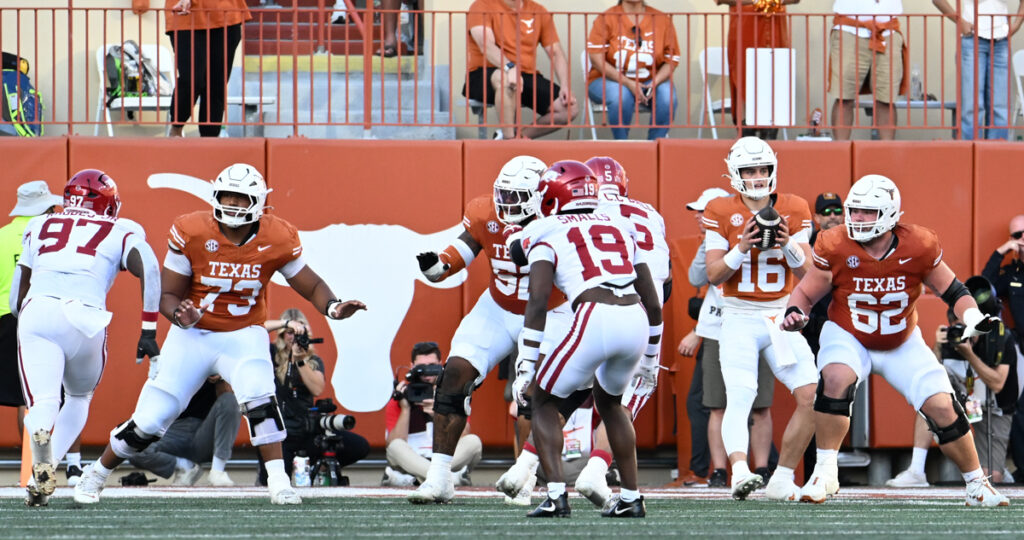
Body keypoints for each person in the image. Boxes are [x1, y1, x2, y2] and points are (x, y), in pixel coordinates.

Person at [73, 163, 366, 506]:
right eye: (227, 196)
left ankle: (279, 481)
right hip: (193, 335)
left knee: (260, 397)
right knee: (150, 420)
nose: (232, 204)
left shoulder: (277, 236)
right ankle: (97, 473)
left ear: (257, 203)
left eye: (241, 199)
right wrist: (182, 316)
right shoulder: (192, 230)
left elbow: (310, 282)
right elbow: (167, 295)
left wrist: (332, 307)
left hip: (244, 333)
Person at [782, 174, 1010, 507]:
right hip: (848, 332)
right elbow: (806, 291)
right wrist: (794, 312)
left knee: (942, 405)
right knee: (835, 378)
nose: (856, 218)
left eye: (867, 212)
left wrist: (973, 318)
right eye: (854, 210)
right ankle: (825, 471)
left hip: (900, 339)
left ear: (889, 214)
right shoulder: (834, 243)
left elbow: (954, 290)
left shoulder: (919, 244)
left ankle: (977, 484)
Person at [408, 155, 572, 505]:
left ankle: (525, 479)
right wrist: (438, 266)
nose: (506, 203)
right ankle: (439, 478)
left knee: (532, 396)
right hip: (497, 308)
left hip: (551, 312)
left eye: (516, 196)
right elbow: (461, 252)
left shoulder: (559, 219)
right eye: (503, 194)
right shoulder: (486, 213)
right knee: (452, 377)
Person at [512, 160, 663, 518]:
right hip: (636, 318)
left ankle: (554, 496)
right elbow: (653, 298)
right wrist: (651, 359)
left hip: (595, 314)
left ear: (553, 194)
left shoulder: (545, 228)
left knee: (543, 403)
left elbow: (537, 301)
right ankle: (630, 497)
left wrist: (525, 363)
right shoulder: (620, 223)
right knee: (611, 404)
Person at [14, 170, 162, 507]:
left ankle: (40, 456)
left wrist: (25, 322)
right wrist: (149, 329)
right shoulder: (122, 229)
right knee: (79, 397)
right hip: (87, 317)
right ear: (108, 203)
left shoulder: (39, 225)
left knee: (44, 402)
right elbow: (150, 267)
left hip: (40, 308)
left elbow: (15, 295)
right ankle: (48, 465)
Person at [703, 136, 818, 502]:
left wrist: (786, 243)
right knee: (741, 396)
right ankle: (739, 471)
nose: (756, 176)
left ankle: (782, 475)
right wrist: (741, 246)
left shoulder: (795, 207)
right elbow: (714, 274)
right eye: (749, 170)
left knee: (811, 393)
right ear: (735, 174)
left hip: (777, 315)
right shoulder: (720, 210)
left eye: (762, 169)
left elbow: (811, 274)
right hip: (737, 316)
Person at [685, 187, 777, 489]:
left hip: (754, 318)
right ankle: (721, 470)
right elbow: (698, 278)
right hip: (719, 326)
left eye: (705, 211)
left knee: (761, 403)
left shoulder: (756, 228)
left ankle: (761, 468)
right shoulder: (711, 239)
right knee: (717, 404)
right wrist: (713, 240)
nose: (700, 217)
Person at [258, 308, 369, 486]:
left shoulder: (312, 360)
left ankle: (321, 467)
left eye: (299, 333)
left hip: (306, 429)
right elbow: (258, 329)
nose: (293, 337)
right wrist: (286, 323)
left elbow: (317, 389)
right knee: (272, 481)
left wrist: (300, 360)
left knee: (359, 445)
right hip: (280, 432)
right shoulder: (270, 354)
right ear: (281, 334)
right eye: (289, 333)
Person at [462, 0, 579, 140]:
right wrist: (509, 67)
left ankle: (517, 138)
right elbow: (486, 45)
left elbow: (556, 53)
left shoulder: (538, 10)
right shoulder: (482, 5)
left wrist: (565, 86)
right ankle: (510, 140)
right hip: (485, 72)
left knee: (569, 109)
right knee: (506, 80)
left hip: (525, 75)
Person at [0, 181, 62, 438]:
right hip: (43, 314)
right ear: (47, 207)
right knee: (51, 395)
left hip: (4, 318)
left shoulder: (2, 235)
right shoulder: (53, 238)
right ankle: (68, 466)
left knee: (21, 396)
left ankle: (30, 466)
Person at [136, 0, 251, 137]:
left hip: (225, 12)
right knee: (192, 79)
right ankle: (177, 126)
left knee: (216, 83)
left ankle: (209, 140)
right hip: (186, 15)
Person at [385, 341, 482, 486]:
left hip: (446, 458)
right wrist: (405, 409)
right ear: (412, 366)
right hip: (413, 458)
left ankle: (421, 478)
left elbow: (464, 436)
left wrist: (440, 414)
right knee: (395, 446)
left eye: (431, 366)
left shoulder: (452, 392)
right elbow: (393, 442)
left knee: (474, 442)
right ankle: (447, 479)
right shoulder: (403, 394)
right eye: (421, 367)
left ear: (440, 364)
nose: (426, 373)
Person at [586, 0, 680, 140]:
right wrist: (628, 83)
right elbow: (596, 59)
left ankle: (656, 145)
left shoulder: (661, 19)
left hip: (649, 80)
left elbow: (671, 59)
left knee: (667, 97)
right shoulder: (606, 18)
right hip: (607, 80)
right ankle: (622, 145)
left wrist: (655, 81)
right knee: (621, 95)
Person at [933, 0, 1024, 140]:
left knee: (1000, 109)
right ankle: (969, 158)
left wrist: (1016, 25)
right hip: (972, 39)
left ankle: (995, 158)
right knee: (972, 107)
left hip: (1001, 40)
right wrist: (960, 21)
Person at [129, 376, 241, 487]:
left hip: (205, 432)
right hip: (175, 429)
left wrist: (220, 378)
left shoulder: (217, 361)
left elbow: (229, 401)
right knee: (132, 446)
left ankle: (217, 471)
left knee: (229, 400)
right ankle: (186, 467)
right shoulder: (173, 362)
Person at [715, 0, 800, 139]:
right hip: (744, 27)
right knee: (743, 75)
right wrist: (757, 1)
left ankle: (771, 130)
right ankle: (746, 130)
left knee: (774, 77)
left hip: (775, 28)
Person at [982, 214, 1024, 474]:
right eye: (1016, 236)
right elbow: (982, 291)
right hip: (1022, 348)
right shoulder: (1011, 274)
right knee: (1020, 408)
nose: (1021, 241)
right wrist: (1000, 252)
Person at [830, 0, 906, 141]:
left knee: (886, 99)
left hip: (888, 30)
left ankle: (887, 153)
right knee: (844, 97)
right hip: (849, 29)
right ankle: (841, 154)